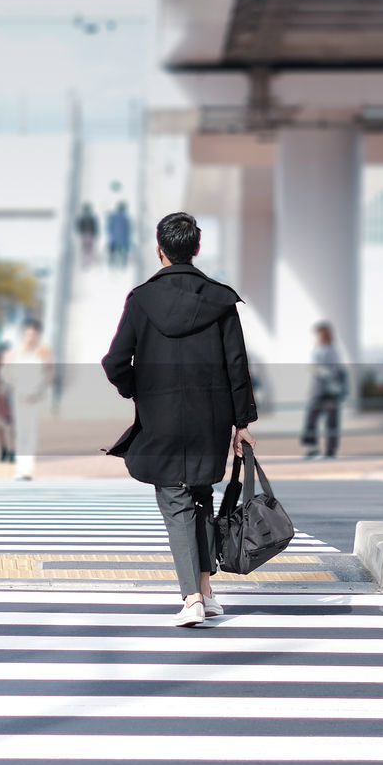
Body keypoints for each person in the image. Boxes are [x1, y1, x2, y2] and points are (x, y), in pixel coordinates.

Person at [102, 211, 257, 627]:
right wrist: (242, 424)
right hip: (212, 418)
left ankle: (191, 597)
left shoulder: (142, 300)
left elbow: (115, 361)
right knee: (201, 495)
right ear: (197, 249)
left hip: (162, 415)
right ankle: (206, 591)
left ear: (160, 251)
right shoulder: (221, 300)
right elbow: (237, 366)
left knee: (176, 500)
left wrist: (137, 388)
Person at [6, 319, 53, 480]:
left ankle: (27, 469)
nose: (30, 337)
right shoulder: (15, 351)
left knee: (31, 432)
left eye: (33, 334)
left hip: (35, 397)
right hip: (19, 396)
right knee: (21, 432)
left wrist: (38, 391)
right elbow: (6, 372)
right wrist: (17, 388)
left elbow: (49, 373)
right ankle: (20, 468)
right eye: (27, 334)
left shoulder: (43, 351)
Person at [301, 322, 348, 460]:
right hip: (318, 391)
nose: (316, 337)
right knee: (311, 419)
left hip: (330, 391)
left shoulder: (332, 351)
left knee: (331, 421)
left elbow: (334, 370)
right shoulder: (317, 350)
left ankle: (330, 450)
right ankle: (312, 448)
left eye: (318, 334)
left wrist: (321, 371)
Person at [107, 201, 132, 268]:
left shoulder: (113, 217)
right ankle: (122, 264)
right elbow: (128, 230)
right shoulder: (125, 218)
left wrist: (111, 235)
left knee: (113, 252)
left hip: (114, 239)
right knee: (122, 253)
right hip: (122, 240)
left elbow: (110, 227)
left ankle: (112, 264)